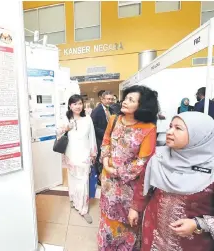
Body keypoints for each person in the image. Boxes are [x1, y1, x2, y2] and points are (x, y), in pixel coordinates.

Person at [128, 112, 214, 251]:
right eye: (170, 126)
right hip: (153, 232)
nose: (169, 131)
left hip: (193, 242)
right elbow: (144, 185)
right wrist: (135, 208)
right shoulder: (159, 158)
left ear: (199, 135)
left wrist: (198, 224)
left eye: (178, 128)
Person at [97, 85, 159, 251]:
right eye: (126, 98)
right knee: (107, 217)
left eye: (131, 100)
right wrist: (105, 159)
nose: (124, 102)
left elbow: (143, 161)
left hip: (129, 186)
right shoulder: (114, 119)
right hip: (108, 182)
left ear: (142, 105)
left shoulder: (148, 129)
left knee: (127, 224)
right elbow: (106, 141)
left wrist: (117, 171)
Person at [57, 94, 97, 224]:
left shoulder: (88, 119)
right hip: (71, 154)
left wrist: (93, 154)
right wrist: (66, 128)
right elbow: (57, 133)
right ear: (70, 105)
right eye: (74, 104)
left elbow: (92, 137)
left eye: (79, 103)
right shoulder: (65, 119)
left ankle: (84, 209)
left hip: (84, 155)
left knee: (84, 180)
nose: (78, 106)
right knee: (73, 178)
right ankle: (74, 200)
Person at [91, 91, 114, 180]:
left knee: (107, 159)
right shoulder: (96, 111)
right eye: (108, 99)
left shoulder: (112, 110)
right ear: (102, 99)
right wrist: (106, 134)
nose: (110, 101)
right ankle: (99, 178)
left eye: (112, 99)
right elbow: (93, 126)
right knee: (100, 159)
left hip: (110, 140)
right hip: (100, 139)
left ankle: (106, 176)